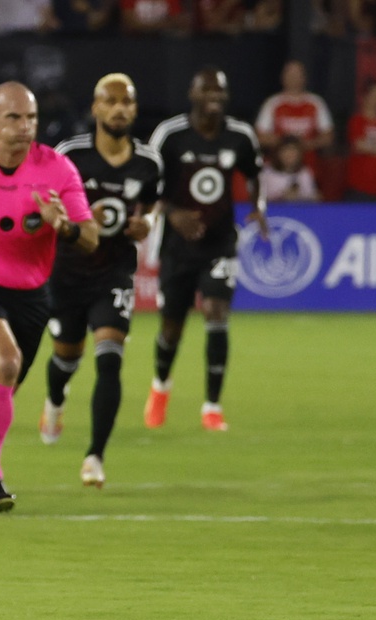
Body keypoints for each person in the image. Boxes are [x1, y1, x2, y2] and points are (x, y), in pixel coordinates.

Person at [0, 81, 98, 510]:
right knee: (5, 362)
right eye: (14, 117)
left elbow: (90, 237)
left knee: (3, 381)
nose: (24, 127)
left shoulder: (57, 169)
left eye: (31, 118)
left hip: (31, 295)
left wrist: (62, 226)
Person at [42, 74, 163, 489]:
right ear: (94, 108)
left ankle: (94, 456)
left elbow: (151, 205)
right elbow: (49, 204)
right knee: (66, 357)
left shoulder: (148, 161)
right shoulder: (69, 155)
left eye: (126, 101)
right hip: (68, 273)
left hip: (114, 272)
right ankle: (56, 399)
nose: (119, 109)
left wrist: (146, 222)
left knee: (110, 358)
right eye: (110, 101)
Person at [144, 67, 266, 432]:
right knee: (172, 329)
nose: (214, 95)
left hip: (219, 242)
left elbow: (254, 172)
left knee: (216, 311)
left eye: (220, 90)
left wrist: (258, 207)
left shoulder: (240, 135)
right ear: (193, 94)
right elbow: (148, 184)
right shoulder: (170, 134)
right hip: (177, 245)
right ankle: (161, 387)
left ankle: (212, 406)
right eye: (207, 89)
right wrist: (173, 212)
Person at [254, 60, 335, 171]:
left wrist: (308, 144)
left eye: (297, 74)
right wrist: (287, 143)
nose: (293, 78)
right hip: (279, 169)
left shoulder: (316, 102)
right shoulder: (272, 103)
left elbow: (328, 137)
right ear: (282, 77)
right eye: (290, 74)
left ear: (304, 77)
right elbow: (260, 137)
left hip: (309, 167)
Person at [260, 135, 320, 202]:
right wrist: (281, 197)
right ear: (278, 153)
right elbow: (258, 198)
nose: (290, 155)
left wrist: (299, 196)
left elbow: (314, 198)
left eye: (293, 151)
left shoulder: (304, 173)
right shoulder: (266, 172)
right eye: (286, 151)